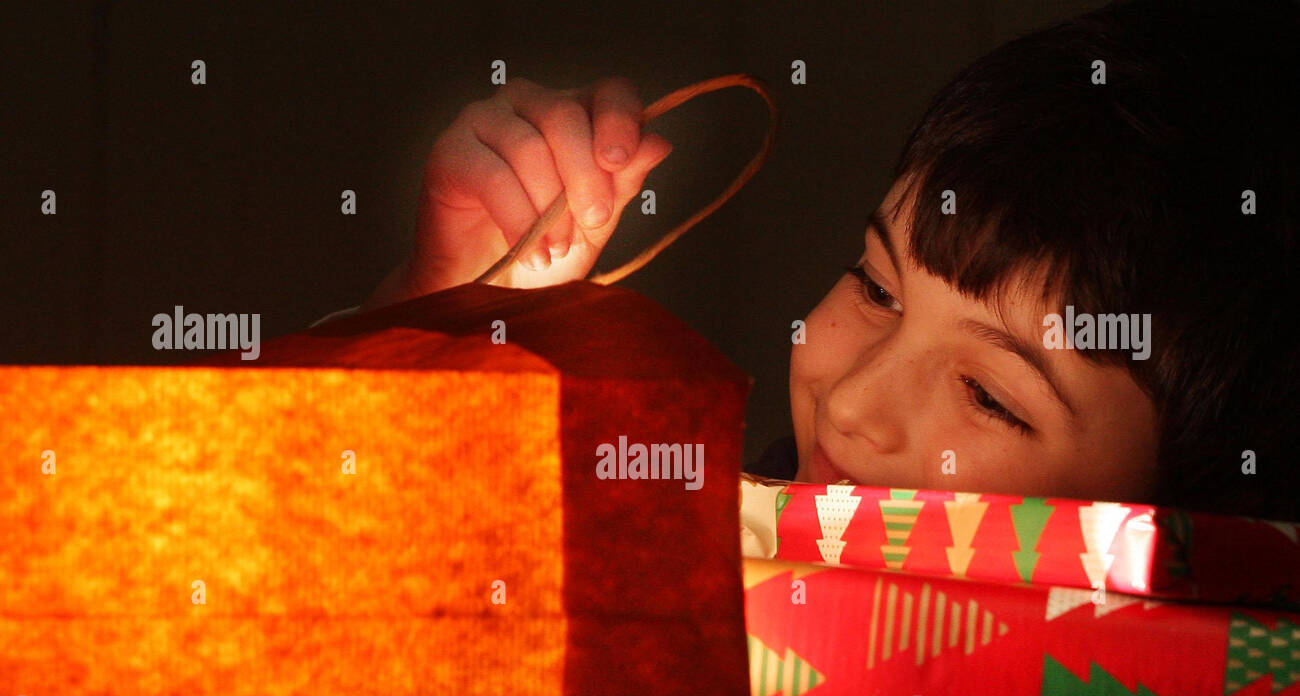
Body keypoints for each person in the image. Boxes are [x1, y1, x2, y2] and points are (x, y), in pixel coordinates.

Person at [349, 0, 1300, 520]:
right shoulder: (700, 554)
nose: (850, 407)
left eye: (992, 397)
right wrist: (434, 325)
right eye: (877, 288)